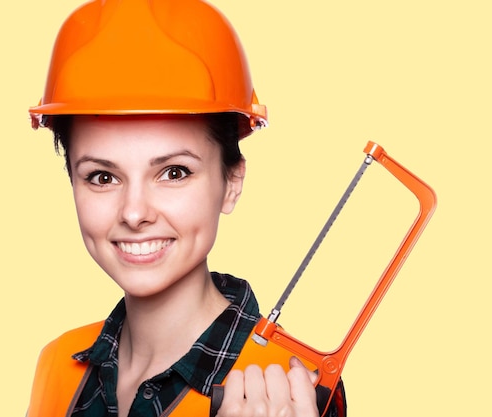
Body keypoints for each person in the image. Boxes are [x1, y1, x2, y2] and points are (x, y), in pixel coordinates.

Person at [27, 1, 347, 416]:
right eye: (102, 177)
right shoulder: (59, 365)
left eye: (174, 172)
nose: (134, 212)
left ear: (231, 182)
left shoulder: (292, 389)